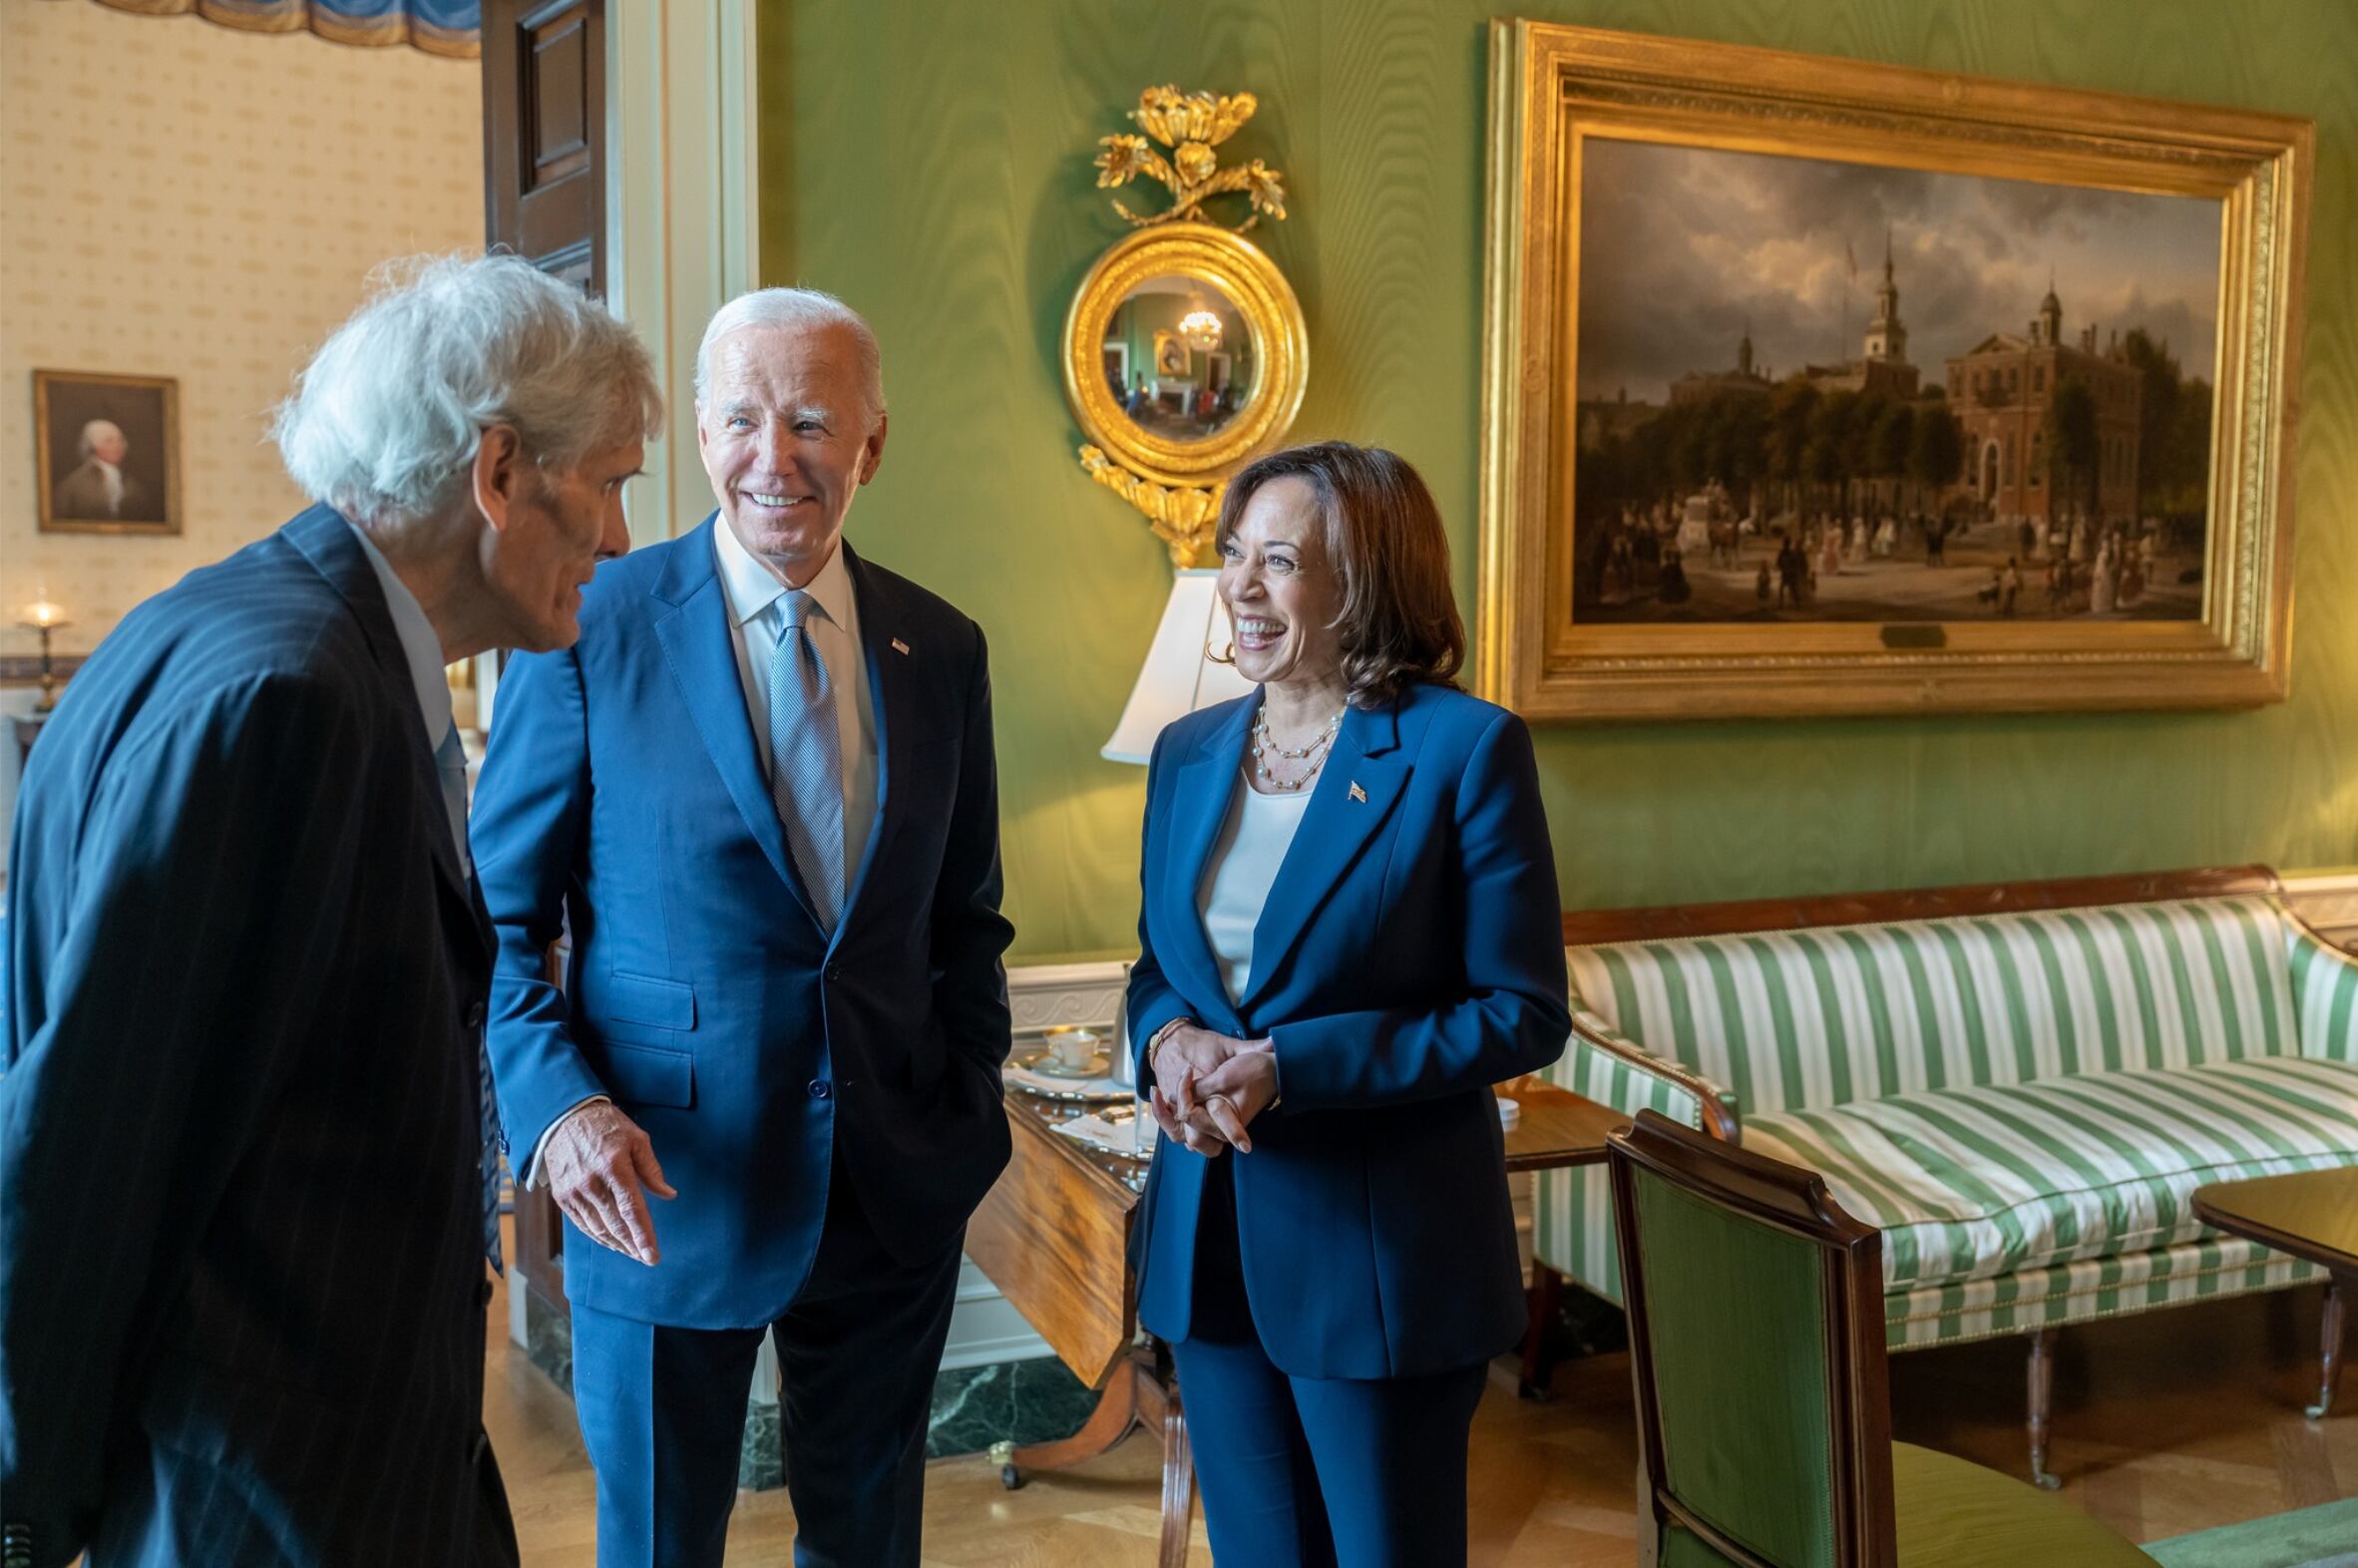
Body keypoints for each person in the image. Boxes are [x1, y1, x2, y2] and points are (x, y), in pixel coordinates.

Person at [1, 253, 659, 1568]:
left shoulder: (240, 627)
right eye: (611, 484)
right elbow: (91, 1152)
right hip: (264, 1498)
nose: (623, 538)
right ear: (500, 473)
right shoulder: (291, 703)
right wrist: (32, 1509)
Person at [471, 287, 1013, 1568]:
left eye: (814, 422)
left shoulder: (943, 647)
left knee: (870, 1545)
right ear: (702, 439)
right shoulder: (585, 623)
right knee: (660, 1547)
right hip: (658, 1195)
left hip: (891, 1194)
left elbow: (964, 921)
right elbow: (493, 924)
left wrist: (966, 1108)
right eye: (742, 421)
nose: (776, 459)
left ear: (871, 444)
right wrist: (559, 1110)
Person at [1125, 441, 1571, 1565]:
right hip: (1211, 1251)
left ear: (1364, 581)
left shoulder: (1464, 750)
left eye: (1280, 559)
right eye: (1236, 555)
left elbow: (1520, 1010)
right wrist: (1167, 1037)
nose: (1241, 584)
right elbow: (1157, 969)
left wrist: (1295, 1065)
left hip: (1381, 1268)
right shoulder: (1187, 752)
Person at [49, 418, 150, 521]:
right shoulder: (72, 484)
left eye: (120, 440)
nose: (118, 446)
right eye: (109, 441)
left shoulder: (132, 483)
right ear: (93, 446)